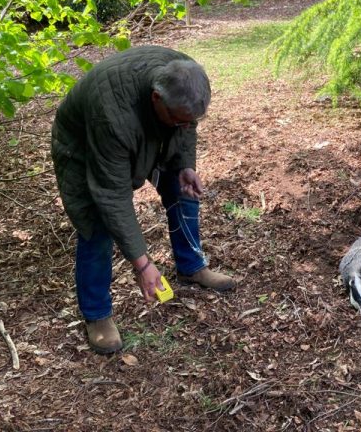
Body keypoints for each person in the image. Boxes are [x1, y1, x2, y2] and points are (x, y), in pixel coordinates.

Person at [51, 45, 235, 354]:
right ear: (156, 99)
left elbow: (186, 125)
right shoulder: (111, 114)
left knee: (182, 189)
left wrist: (186, 165)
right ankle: (97, 315)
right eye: (181, 120)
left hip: (154, 132)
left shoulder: (184, 76)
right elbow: (112, 195)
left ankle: (191, 266)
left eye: (191, 121)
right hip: (82, 149)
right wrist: (143, 264)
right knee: (97, 223)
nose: (188, 126)